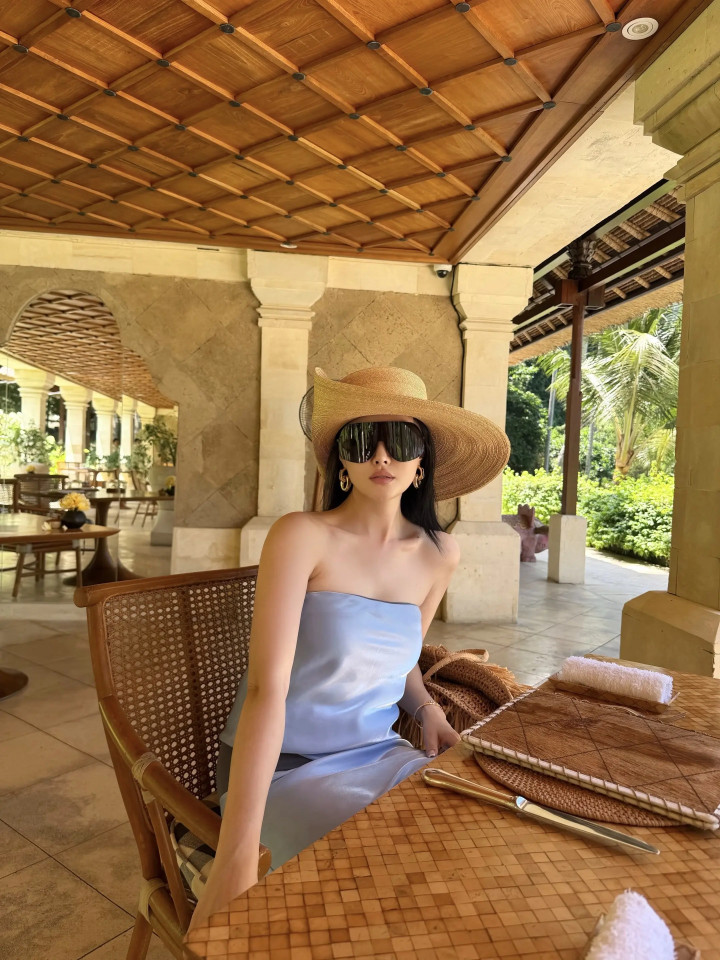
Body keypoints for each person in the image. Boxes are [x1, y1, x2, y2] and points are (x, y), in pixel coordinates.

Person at [188, 365, 510, 933]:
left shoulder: (439, 553)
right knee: (381, 877)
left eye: (400, 440)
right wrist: (237, 851)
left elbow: (400, 658)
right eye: (362, 440)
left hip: (379, 752)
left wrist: (427, 712)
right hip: (283, 765)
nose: (381, 456)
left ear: (421, 461)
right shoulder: (301, 536)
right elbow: (265, 690)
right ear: (341, 460)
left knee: (472, 841)